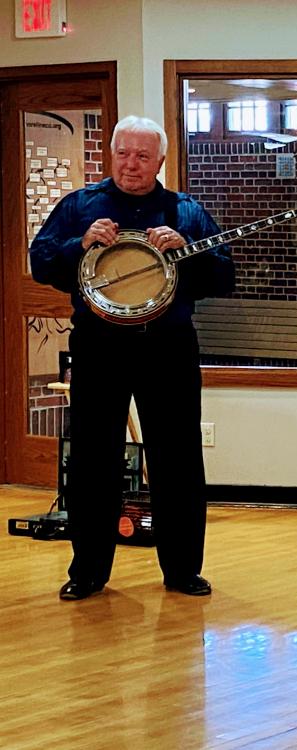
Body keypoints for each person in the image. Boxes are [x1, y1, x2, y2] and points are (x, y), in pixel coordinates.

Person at [30, 115, 235, 601]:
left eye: (143, 156)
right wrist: (78, 244)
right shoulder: (81, 206)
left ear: (160, 161)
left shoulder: (184, 211)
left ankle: (184, 569)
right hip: (100, 345)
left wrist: (189, 251)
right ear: (112, 154)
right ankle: (88, 572)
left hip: (168, 346)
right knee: (93, 459)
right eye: (123, 153)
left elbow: (224, 276)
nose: (131, 164)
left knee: (178, 458)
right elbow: (40, 261)